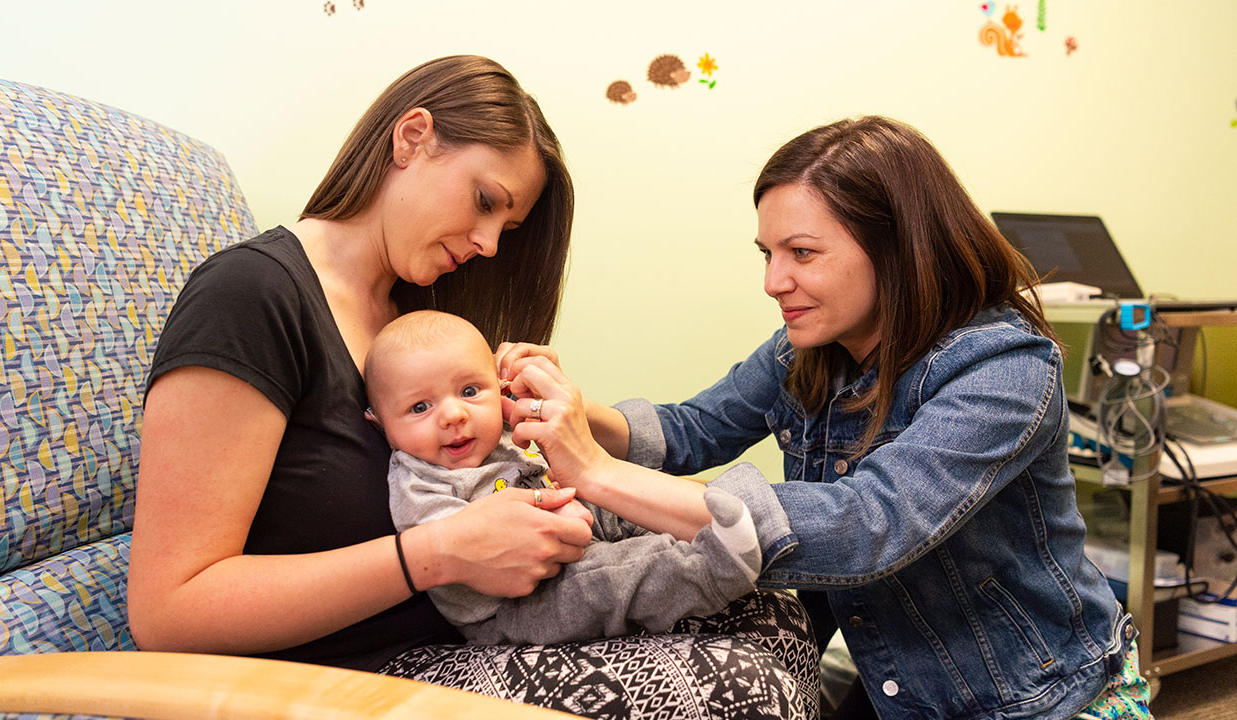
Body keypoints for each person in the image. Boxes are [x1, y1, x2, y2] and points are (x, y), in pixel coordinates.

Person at [127, 54, 818, 719]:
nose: (489, 244)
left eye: (506, 227)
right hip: (337, 679)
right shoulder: (251, 295)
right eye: (485, 202)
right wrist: (441, 553)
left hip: (452, 638)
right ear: (412, 137)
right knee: (743, 687)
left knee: (775, 614)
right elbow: (169, 610)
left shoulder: (410, 317)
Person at [495, 116, 1153, 720]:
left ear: (897, 250)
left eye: (801, 253)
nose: (773, 281)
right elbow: (693, 429)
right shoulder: (805, 350)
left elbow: (868, 525)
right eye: (767, 253)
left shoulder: (1004, 367)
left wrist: (595, 471)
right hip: (897, 675)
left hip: (1036, 695)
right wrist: (572, 409)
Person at [364, 309, 768, 646]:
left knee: (624, 504)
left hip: (568, 531)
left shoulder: (500, 433)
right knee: (611, 578)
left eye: (470, 391)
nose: (454, 415)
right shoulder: (417, 478)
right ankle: (712, 569)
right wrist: (558, 521)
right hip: (518, 603)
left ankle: (704, 526)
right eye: (420, 406)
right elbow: (458, 545)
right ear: (380, 424)